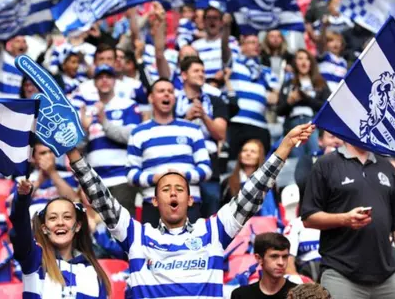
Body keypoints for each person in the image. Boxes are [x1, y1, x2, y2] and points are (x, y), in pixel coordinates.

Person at [72, 123, 314, 298]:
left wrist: (283, 148)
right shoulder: (136, 235)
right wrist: (73, 154)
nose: (174, 193)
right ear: (154, 201)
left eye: (180, 189)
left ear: (190, 199)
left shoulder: (212, 231)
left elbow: (252, 192)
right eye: (166, 189)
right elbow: (100, 196)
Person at [300, 142, 395, 299]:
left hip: (387, 274)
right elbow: (309, 218)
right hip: (341, 273)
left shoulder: (387, 166)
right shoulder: (325, 164)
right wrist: (344, 219)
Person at [126, 78, 212, 226]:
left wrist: (183, 177)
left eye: (170, 91)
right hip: (153, 204)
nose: (166, 94)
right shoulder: (138, 132)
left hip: (189, 204)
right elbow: (131, 174)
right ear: (151, 98)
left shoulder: (192, 129)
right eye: (161, 91)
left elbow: (206, 169)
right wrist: (156, 178)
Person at [10, 180, 110, 298]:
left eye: (67, 217)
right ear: (44, 228)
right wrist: (22, 200)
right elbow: (20, 230)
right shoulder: (35, 260)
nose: (60, 223)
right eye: (53, 218)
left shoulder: (93, 271)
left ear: (77, 226)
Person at [79, 64, 143, 216]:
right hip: (95, 183)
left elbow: (132, 137)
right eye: (100, 77)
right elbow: (79, 148)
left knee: (123, 232)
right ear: (94, 83)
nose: (104, 80)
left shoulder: (127, 105)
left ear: (115, 81)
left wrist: (104, 123)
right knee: (99, 234)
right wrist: (84, 131)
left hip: (121, 179)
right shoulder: (87, 111)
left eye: (108, 77)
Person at [173, 56, 228, 218]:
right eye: (196, 71)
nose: (201, 74)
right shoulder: (173, 100)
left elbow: (220, 134)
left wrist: (204, 116)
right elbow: (165, 132)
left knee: (211, 214)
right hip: (181, 162)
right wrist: (187, 119)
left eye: (203, 71)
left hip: (209, 161)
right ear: (184, 75)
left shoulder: (215, 100)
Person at [277, 49, 330, 157]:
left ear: (311, 62)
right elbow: (279, 110)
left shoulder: (320, 83)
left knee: (314, 158)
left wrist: (306, 98)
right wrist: (289, 102)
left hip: (313, 124)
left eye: (307, 58)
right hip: (293, 124)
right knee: (296, 161)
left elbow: (327, 107)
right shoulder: (288, 84)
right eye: (300, 58)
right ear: (295, 63)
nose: (304, 62)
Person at [231, 233, 301, 299]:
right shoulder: (241, 295)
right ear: (259, 258)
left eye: (285, 257)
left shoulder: (299, 294)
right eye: (274, 256)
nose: (281, 262)